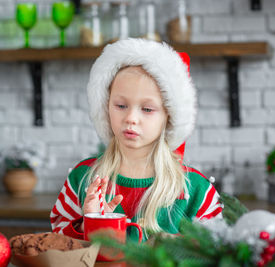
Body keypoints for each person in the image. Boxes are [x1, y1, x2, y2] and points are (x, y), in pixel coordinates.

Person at [50, 38, 223, 242]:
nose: (131, 118)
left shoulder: (196, 191)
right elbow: (56, 244)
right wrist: (88, 223)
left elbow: (216, 252)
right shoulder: (82, 180)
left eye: (147, 109)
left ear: (169, 116)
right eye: (121, 106)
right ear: (106, 107)